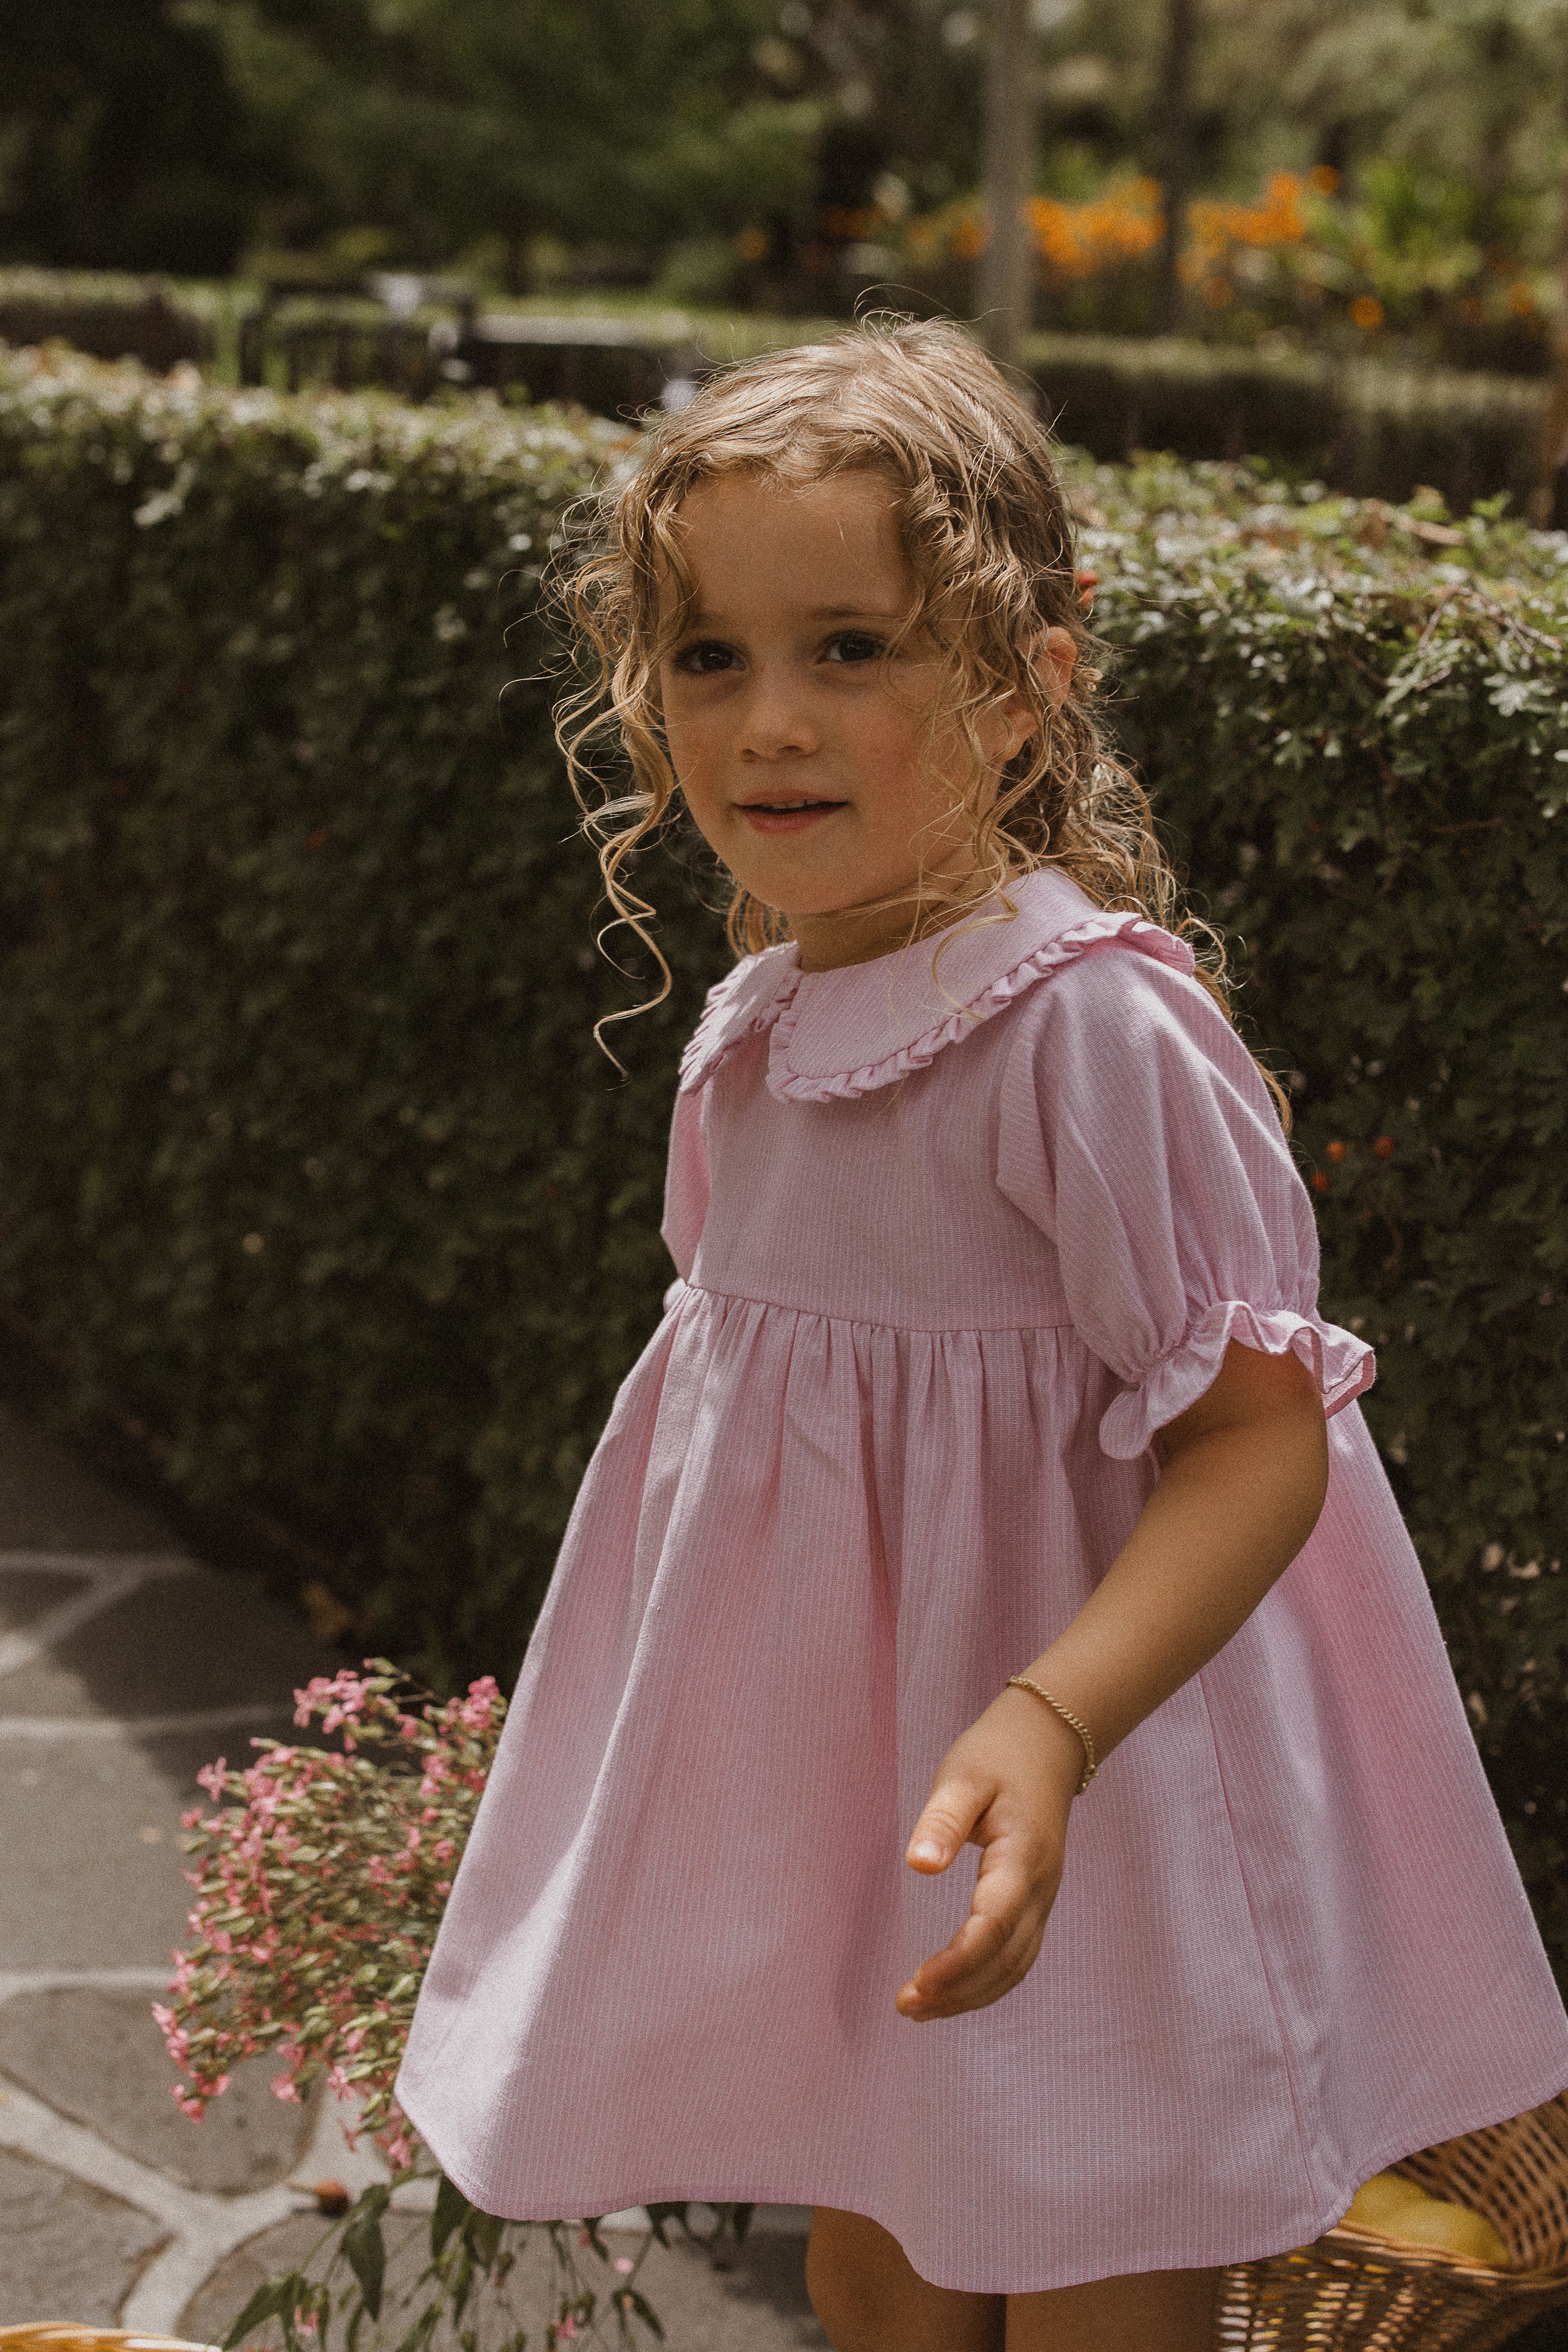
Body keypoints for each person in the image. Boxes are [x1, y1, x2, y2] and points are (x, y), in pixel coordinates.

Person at [396, 320, 1568, 2351]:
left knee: (1098, 2260)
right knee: (873, 2255)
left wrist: (1051, 1720)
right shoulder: (758, 1029)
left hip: (1091, 1804)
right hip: (876, 1816)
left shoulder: (1085, 1033)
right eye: (709, 656)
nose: (770, 720)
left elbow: (1259, 1438)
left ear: (1029, 680)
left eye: (853, 648)